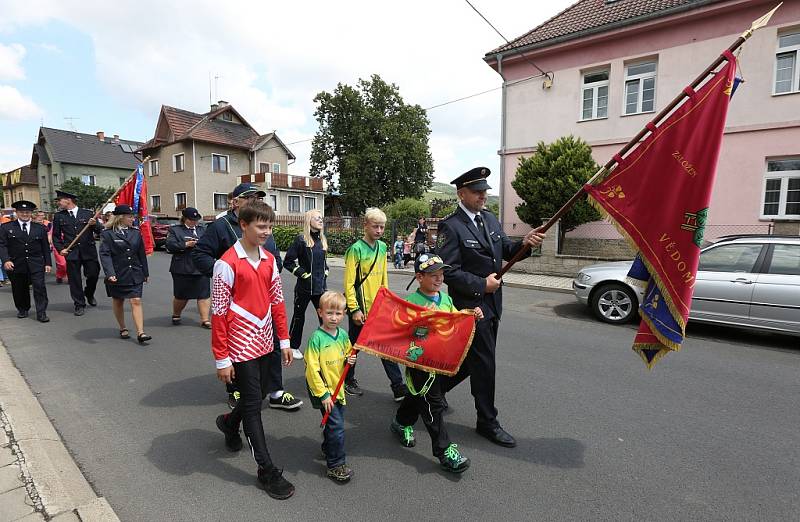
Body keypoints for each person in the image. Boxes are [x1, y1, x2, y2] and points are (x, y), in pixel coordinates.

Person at [436, 167, 545, 448]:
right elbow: (447, 271)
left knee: (470, 361)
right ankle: (487, 421)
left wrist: (525, 243)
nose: (483, 195)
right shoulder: (452, 225)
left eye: (485, 190)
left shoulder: (490, 219)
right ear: (461, 194)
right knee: (484, 363)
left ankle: (430, 392)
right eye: (477, 191)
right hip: (471, 307)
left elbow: (506, 251)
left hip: (494, 305)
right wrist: (480, 285)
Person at [211, 201, 296, 500]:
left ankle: (228, 423)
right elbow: (219, 314)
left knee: (256, 396)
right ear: (243, 225)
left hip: (265, 339)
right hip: (239, 343)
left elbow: (277, 302)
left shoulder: (271, 259)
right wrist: (222, 359)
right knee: (253, 403)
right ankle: (266, 469)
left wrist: (284, 341)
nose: (266, 232)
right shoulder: (226, 263)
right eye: (261, 226)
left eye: (269, 226)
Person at [193, 183, 302, 412]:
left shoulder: (264, 224)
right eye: (249, 197)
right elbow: (200, 255)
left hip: (264, 298)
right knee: (239, 353)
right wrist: (226, 272)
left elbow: (273, 256)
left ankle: (275, 391)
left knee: (272, 346)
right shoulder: (220, 226)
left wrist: (274, 267)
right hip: (238, 306)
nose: (256, 200)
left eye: (259, 197)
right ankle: (236, 390)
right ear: (235, 202)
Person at [390, 253, 481, 473]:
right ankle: (444, 451)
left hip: (441, 360)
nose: (439, 279)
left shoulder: (445, 298)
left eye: (441, 275)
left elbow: (454, 319)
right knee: (433, 403)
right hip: (420, 362)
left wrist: (471, 315)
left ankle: (401, 422)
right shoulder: (411, 303)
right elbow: (402, 330)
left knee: (420, 396)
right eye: (433, 275)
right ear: (420, 278)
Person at [343, 207, 406, 400]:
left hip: (378, 309)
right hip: (360, 310)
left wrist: (387, 301)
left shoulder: (383, 247)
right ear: (365, 226)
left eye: (382, 227)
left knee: (385, 348)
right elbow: (349, 283)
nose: (379, 230)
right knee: (354, 347)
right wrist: (354, 309)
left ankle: (398, 387)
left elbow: (383, 279)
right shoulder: (355, 250)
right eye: (375, 227)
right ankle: (346, 380)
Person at [304, 291, 357, 482]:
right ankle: (335, 464)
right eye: (329, 313)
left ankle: (328, 448)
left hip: (338, 388)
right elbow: (312, 369)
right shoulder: (316, 338)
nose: (334, 318)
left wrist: (350, 358)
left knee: (334, 424)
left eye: (338, 313)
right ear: (320, 313)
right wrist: (323, 394)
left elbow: (347, 353)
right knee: (337, 427)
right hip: (324, 390)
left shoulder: (342, 335)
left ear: (344, 314)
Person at [99, 205, 151, 344]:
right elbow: (105, 254)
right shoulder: (108, 234)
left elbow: (141, 254)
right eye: (130, 216)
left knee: (136, 300)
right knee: (118, 300)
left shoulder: (135, 232)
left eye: (133, 216)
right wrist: (109, 273)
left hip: (134, 272)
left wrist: (145, 272)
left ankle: (141, 332)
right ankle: (123, 327)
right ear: (121, 217)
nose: (132, 219)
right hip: (118, 273)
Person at [284, 209, 329, 360]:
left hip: (320, 289)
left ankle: (326, 345)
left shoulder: (322, 240)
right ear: (309, 220)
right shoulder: (301, 240)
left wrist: (326, 272)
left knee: (325, 317)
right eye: (317, 218)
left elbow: (323, 263)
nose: (320, 220)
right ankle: (293, 346)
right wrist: (304, 275)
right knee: (299, 317)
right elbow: (288, 262)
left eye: (321, 218)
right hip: (304, 288)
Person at [52, 190, 103, 316]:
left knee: (93, 274)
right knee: (74, 280)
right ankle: (79, 304)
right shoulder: (59, 216)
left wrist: (95, 224)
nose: (58, 203)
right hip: (72, 252)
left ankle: (89, 293)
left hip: (88, 251)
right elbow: (56, 236)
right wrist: (60, 249)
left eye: (60, 200)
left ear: (68, 200)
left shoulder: (87, 213)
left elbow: (100, 231)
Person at [0, 200, 51, 322]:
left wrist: (48, 263)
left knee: (39, 287)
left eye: (27, 212)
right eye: (22, 212)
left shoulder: (40, 228)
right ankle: (23, 309)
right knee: (19, 288)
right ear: (16, 212)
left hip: (36, 263)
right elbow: (2, 245)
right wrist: (6, 260)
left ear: (31, 213)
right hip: (16, 263)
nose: (25, 214)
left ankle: (41, 312)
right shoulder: (6, 227)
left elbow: (45, 247)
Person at [166, 207, 211, 328]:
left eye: (196, 219)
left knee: (204, 294)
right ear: (185, 219)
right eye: (191, 219)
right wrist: (186, 244)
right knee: (182, 295)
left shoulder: (203, 230)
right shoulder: (175, 230)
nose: (194, 222)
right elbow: (170, 245)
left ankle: (205, 320)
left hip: (201, 267)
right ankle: (176, 314)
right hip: (182, 267)